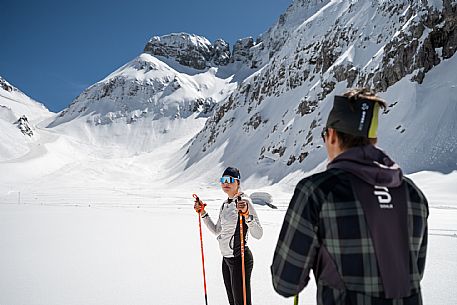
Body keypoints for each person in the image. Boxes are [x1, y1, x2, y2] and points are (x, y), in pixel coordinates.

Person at [271, 88, 429, 304]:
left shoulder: (317, 192)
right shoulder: (413, 194)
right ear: (372, 139)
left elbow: (286, 283)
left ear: (333, 135)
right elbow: (414, 273)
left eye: (324, 135)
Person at [194, 167, 263, 305]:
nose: (225, 183)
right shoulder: (225, 205)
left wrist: (246, 215)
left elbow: (258, 233)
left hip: (240, 259)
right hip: (226, 260)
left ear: (237, 182)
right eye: (223, 180)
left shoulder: (244, 202)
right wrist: (203, 212)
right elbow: (216, 230)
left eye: (230, 180)